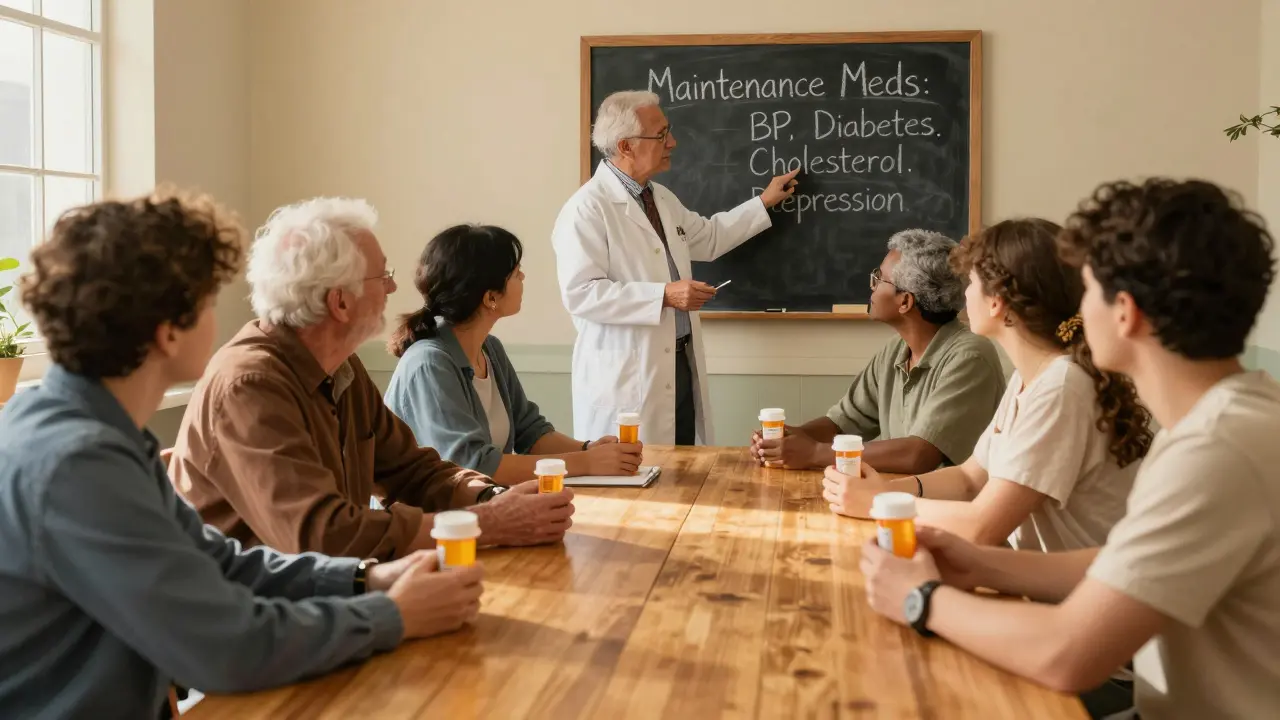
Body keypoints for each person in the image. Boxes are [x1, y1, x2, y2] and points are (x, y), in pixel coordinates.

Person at [0, 190, 484, 719]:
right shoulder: (76, 462)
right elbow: (224, 646)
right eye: (209, 298)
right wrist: (391, 615)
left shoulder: (97, 432)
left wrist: (363, 580)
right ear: (167, 330)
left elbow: (213, 560)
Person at [859, 179, 1280, 719]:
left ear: (1124, 312)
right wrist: (983, 565)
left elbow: (1069, 653)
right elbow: (1121, 562)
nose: (1073, 310)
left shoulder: (1218, 451)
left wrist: (920, 599)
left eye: (1087, 289)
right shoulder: (1226, 421)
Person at [169, 198, 573, 561]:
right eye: (383, 276)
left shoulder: (340, 366)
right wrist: (488, 522)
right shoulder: (251, 386)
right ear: (340, 302)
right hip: (259, 619)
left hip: (329, 593)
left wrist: (491, 497)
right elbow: (322, 535)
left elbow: (412, 469)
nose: (394, 287)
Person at [824, 219, 1153, 551]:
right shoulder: (1030, 379)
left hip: (1072, 594)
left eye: (972, 282)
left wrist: (879, 502)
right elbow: (969, 480)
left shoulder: (1061, 387)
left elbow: (982, 527)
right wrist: (888, 491)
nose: (963, 293)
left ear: (996, 302)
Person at [552, 89, 801, 446]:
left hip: (678, 360)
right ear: (625, 146)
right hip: (628, 375)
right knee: (634, 484)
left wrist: (763, 202)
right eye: (661, 134)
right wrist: (664, 295)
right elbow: (581, 294)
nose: (673, 141)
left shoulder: (660, 198)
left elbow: (710, 237)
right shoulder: (587, 209)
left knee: (682, 466)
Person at [385, 224, 643, 485]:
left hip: (482, 511)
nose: (523, 278)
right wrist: (586, 463)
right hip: (426, 522)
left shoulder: (490, 349)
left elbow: (530, 432)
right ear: (490, 297)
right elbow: (473, 465)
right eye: (516, 273)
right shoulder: (429, 363)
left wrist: (588, 449)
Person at [751, 229, 1006, 474]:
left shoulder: (970, 357)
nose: (871, 286)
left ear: (905, 301)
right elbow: (842, 424)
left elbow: (919, 455)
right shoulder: (896, 351)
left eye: (879, 278)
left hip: (948, 511)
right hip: (898, 499)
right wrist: (788, 440)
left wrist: (815, 453)